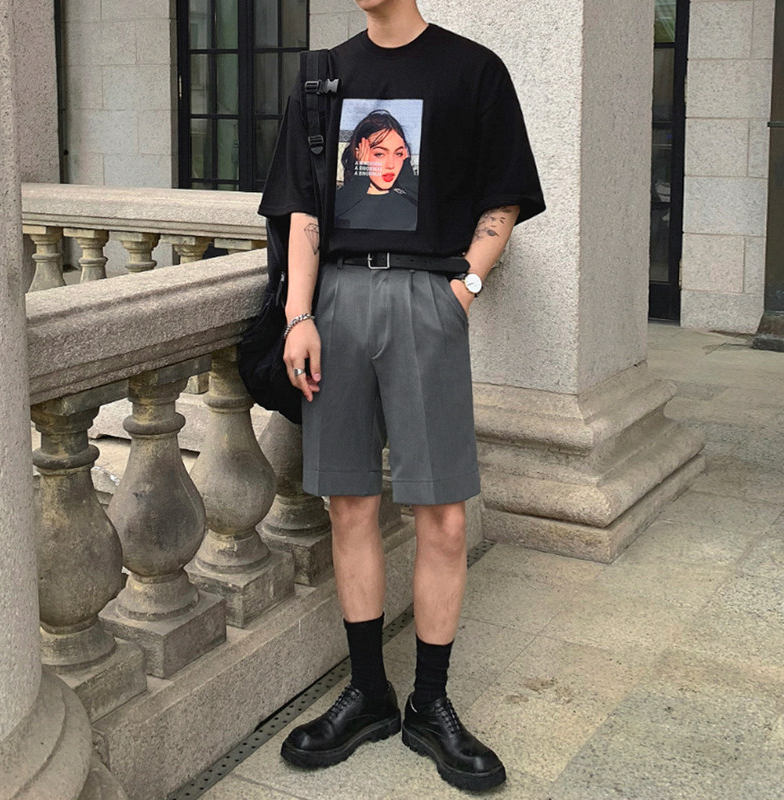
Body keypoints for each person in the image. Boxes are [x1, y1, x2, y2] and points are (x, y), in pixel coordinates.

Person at [258, 0, 544, 791]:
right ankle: (368, 694)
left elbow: (503, 198)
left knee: (442, 513)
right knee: (348, 504)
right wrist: (299, 316)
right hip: (337, 303)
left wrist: (465, 287)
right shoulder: (324, 75)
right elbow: (304, 209)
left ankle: (430, 703)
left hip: (427, 300)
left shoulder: (473, 71)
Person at [335, 108, 419, 230]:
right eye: (379, 154)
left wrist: (407, 178)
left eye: (398, 154)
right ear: (359, 153)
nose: (391, 165)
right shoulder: (341, 202)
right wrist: (361, 179)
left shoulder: (411, 201)